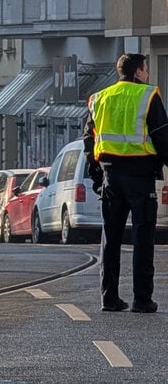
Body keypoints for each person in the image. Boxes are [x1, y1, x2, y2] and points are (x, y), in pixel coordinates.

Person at [85, 53, 168, 314]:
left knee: (111, 237)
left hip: (110, 176)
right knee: (143, 237)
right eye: (145, 70)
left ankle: (108, 298)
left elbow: (90, 141)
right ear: (137, 72)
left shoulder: (100, 98)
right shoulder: (148, 96)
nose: (147, 74)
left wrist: (97, 176)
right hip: (140, 176)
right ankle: (142, 299)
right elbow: (161, 137)